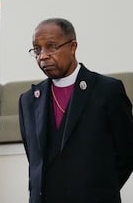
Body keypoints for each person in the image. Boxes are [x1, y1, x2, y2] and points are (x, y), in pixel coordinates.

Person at [19, 18, 133, 203]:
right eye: (37, 49)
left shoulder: (107, 91)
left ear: (73, 47)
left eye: (51, 47)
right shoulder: (28, 100)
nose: (43, 56)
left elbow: (127, 154)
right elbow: (35, 161)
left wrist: (100, 188)